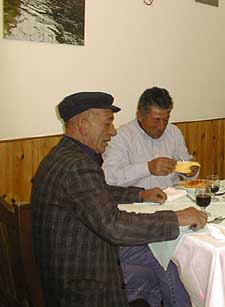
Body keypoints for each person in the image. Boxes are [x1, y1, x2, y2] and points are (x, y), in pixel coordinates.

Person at [31, 92, 207, 307]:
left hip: (69, 262)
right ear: (84, 124)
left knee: (163, 256)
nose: (112, 131)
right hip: (83, 280)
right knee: (165, 261)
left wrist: (139, 194)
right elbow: (113, 226)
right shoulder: (78, 166)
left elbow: (97, 192)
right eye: (107, 124)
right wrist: (175, 218)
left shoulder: (64, 155)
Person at [102, 87, 197, 307]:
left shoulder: (174, 133)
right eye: (156, 120)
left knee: (195, 249)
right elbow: (108, 177)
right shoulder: (122, 137)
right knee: (169, 260)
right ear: (140, 115)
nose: (161, 126)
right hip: (136, 219)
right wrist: (147, 168)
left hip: (175, 207)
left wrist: (190, 169)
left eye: (165, 119)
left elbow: (186, 163)